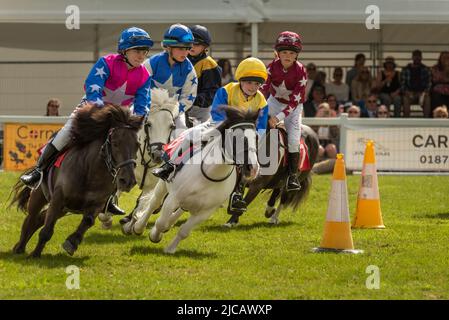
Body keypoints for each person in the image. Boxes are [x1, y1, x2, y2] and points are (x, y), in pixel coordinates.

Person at [20, 27, 153, 215]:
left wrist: (134, 121)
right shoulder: (106, 63)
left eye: (144, 52)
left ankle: (110, 198)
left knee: (123, 153)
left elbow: (142, 104)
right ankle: (37, 172)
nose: (141, 56)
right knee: (65, 134)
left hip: (117, 120)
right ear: (124, 50)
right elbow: (93, 89)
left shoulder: (145, 76)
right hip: (91, 111)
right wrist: (105, 113)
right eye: (137, 51)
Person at [153, 57, 268, 213]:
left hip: (245, 135)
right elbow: (216, 113)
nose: (252, 87)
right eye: (249, 82)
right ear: (241, 80)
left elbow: (261, 126)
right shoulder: (226, 90)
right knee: (188, 135)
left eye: (257, 84)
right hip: (218, 126)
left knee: (248, 156)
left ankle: (237, 194)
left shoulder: (262, 101)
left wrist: (254, 140)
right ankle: (170, 166)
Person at [260, 31, 307, 192]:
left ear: (296, 55)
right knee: (258, 128)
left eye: (292, 53)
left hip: (293, 108)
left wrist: (278, 118)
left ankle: (292, 176)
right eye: (284, 52)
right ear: (277, 53)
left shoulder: (301, 71)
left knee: (294, 139)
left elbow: (295, 101)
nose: (288, 56)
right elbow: (264, 90)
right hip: (273, 102)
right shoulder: (271, 67)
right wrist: (262, 109)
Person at [144, 24, 197, 132]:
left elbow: (188, 98)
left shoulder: (190, 70)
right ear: (168, 47)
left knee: (182, 129)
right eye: (181, 48)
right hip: (149, 107)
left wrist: (171, 112)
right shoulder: (151, 63)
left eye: (188, 48)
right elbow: (140, 88)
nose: (185, 53)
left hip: (174, 110)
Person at [186, 25, 221, 126]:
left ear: (205, 46)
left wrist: (192, 100)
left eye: (197, 44)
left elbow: (212, 92)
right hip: (179, 108)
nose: (192, 46)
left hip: (200, 111)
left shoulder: (209, 64)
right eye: (190, 43)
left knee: (201, 138)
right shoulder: (181, 59)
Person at [400, 50, 431, 118]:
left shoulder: (426, 69)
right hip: (409, 93)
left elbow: (429, 83)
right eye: (415, 56)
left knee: (427, 99)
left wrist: (424, 92)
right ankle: (406, 121)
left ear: (421, 57)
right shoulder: (406, 69)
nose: (417, 58)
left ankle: (427, 121)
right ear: (412, 57)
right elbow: (402, 84)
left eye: (419, 56)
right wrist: (406, 92)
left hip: (422, 93)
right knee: (405, 98)